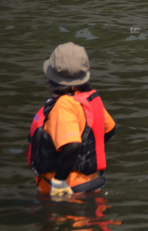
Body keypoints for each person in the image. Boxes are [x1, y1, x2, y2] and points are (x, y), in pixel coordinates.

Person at [27, 42, 116, 199]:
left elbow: (73, 145)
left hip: (66, 193)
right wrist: (86, 156)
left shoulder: (63, 105)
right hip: (91, 187)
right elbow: (109, 129)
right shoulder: (89, 99)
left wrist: (60, 180)